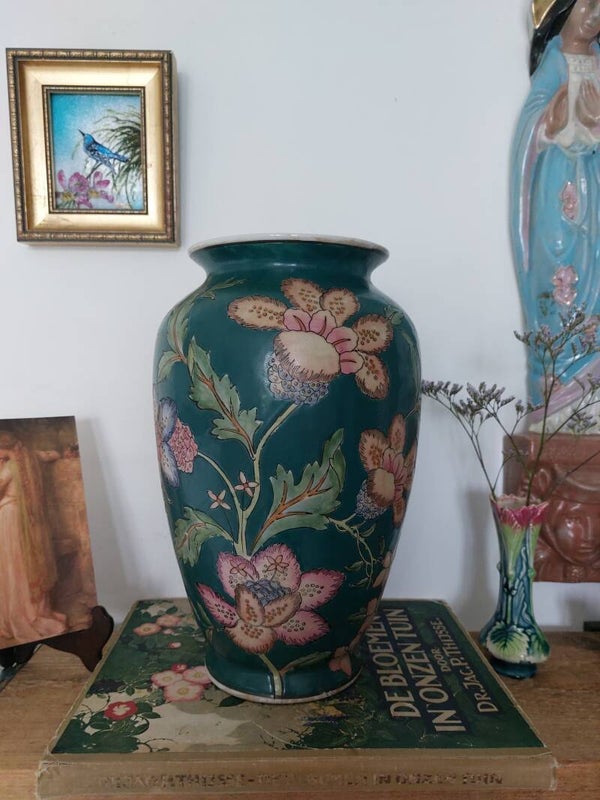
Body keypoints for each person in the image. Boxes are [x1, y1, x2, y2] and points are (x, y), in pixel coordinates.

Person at [510, 0, 600, 428]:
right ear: (559, 13)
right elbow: (532, 122)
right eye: (586, 5)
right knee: (559, 279)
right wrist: (554, 117)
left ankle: (592, 390)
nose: (594, 15)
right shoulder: (554, 63)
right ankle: (557, 395)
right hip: (555, 191)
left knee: (594, 278)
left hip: (593, 189)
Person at [0, 431, 66, 645]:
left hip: (9, 518)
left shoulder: (10, 467)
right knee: (24, 564)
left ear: (5, 448)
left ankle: (21, 612)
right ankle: (35, 609)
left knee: (13, 566)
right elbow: (52, 454)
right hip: (25, 520)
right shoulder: (29, 459)